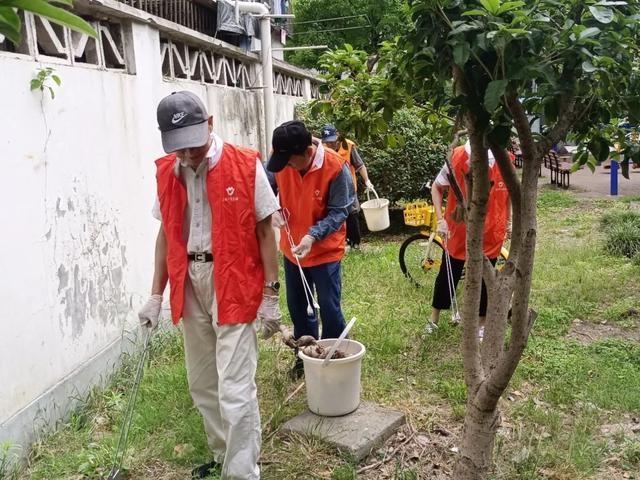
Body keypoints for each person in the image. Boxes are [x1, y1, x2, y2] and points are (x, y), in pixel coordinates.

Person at [137, 91, 281, 480]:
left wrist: (271, 293)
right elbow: (166, 234)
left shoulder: (245, 165)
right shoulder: (168, 171)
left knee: (235, 390)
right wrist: (155, 294)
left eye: (193, 146)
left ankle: (242, 473)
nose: (187, 156)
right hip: (190, 282)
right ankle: (223, 455)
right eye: (179, 148)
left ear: (211, 124)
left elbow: (266, 231)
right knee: (202, 382)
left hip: (233, 282)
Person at [266, 120, 354, 379]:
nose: (287, 168)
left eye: (291, 162)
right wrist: (271, 208)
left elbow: (340, 211)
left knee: (329, 307)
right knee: (299, 308)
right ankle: (305, 359)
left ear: (307, 151)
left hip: (325, 252)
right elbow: (263, 185)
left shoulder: (336, 167)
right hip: (293, 250)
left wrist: (313, 236)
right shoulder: (281, 158)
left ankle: (334, 359)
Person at [428, 141, 511, 339]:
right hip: (459, 228)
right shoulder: (457, 157)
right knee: (448, 273)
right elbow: (437, 187)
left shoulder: (503, 159)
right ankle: (434, 319)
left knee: (486, 277)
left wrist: (509, 220)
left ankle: (481, 325)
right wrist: (440, 220)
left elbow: (509, 194)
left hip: (491, 231)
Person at [320, 124, 374, 249]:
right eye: (327, 142)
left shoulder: (348, 145)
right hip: (331, 188)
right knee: (333, 214)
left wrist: (367, 180)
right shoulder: (322, 149)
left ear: (338, 136)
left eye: (332, 141)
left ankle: (354, 244)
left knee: (352, 214)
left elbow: (359, 165)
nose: (330, 144)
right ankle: (336, 244)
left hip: (349, 188)